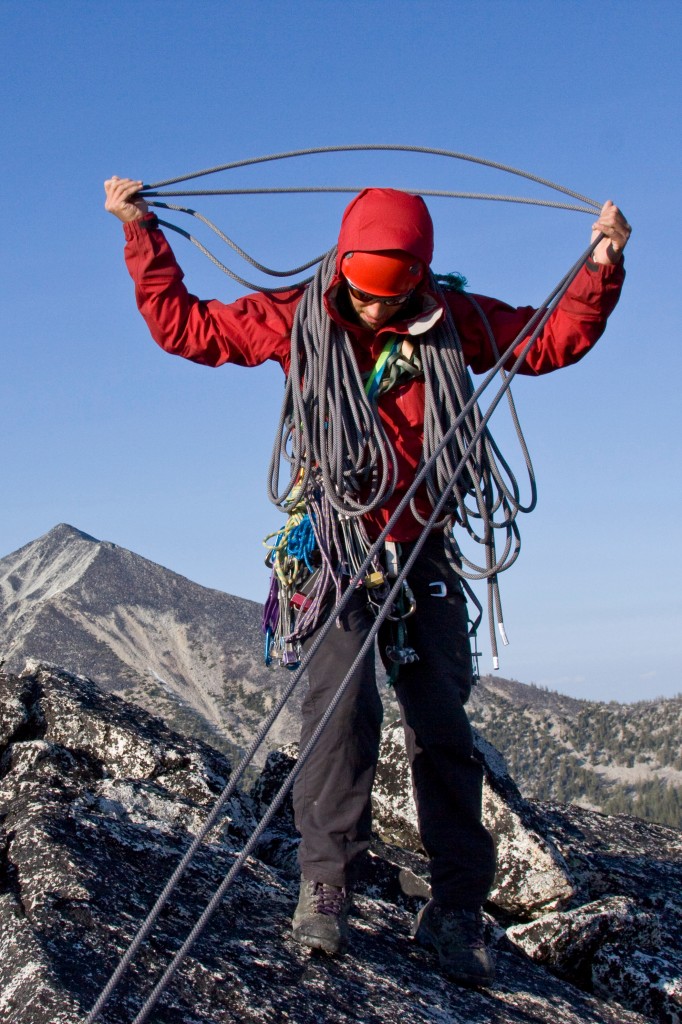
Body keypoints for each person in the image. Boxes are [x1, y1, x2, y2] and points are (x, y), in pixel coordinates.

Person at [104, 175, 630, 987]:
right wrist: (141, 230)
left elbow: (548, 341)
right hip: (338, 548)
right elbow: (187, 328)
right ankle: (327, 882)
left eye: (392, 299)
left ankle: (457, 907)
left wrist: (601, 261)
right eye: (362, 295)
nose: (376, 312)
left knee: (441, 726)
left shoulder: (455, 321)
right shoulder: (301, 313)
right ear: (341, 268)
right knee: (338, 716)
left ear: (420, 279)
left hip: (423, 551)